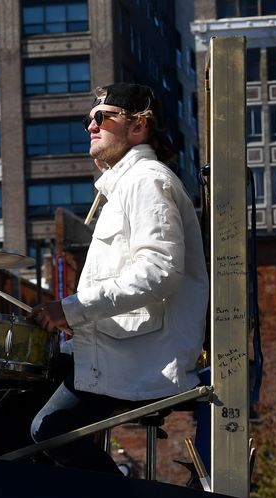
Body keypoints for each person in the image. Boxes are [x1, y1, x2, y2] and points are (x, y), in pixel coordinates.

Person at [27, 83, 208, 473]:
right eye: (87, 120)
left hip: (143, 359)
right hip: (121, 350)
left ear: (138, 128)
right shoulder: (127, 184)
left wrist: (72, 310)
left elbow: (158, 272)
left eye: (101, 117)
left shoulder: (146, 180)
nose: (90, 126)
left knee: (49, 428)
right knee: (19, 394)